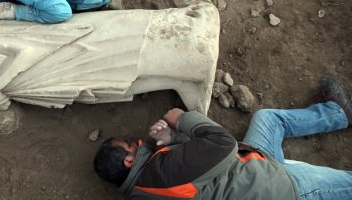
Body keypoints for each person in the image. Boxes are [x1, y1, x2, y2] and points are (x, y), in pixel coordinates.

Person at [93, 75, 352, 200]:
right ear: (128, 161)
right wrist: (181, 119)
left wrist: (172, 141)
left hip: (248, 169)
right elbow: (222, 144)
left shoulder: (148, 187)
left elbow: (198, 176)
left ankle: (338, 113)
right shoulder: (162, 173)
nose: (136, 143)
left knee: (267, 119)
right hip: (276, 189)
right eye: (129, 146)